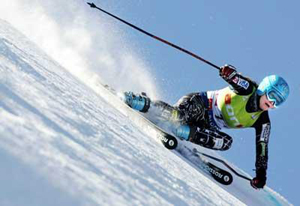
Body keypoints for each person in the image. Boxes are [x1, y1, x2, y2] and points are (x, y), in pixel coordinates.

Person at [123, 65, 289, 189]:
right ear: (264, 89)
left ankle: (179, 130)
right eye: (272, 96)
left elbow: (262, 148)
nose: (272, 104)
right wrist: (229, 74)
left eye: (278, 103)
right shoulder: (248, 89)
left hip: (204, 126)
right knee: (179, 116)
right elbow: (236, 79)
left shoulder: (263, 121)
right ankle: (143, 103)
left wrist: (261, 175)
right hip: (199, 104)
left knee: (225, 142)